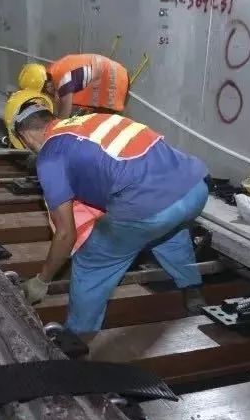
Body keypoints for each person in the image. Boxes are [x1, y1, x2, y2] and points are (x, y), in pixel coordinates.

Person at [12, 104, 210, 334]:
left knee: (91, 262)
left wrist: (42, 280)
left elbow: (66, 234)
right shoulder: (94, 120)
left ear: (25, 136)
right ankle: (192, 288)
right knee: (169, 233)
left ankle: (78, 336)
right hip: (195, 190)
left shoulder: (49, 157)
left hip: (149, 211)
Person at [18, 53, 129, 118]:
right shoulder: (56, 70)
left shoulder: (63, 79)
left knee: (103, 123)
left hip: (115, 79)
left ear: (47, 86)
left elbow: (64, 116)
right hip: (113, 73)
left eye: (43, 93)